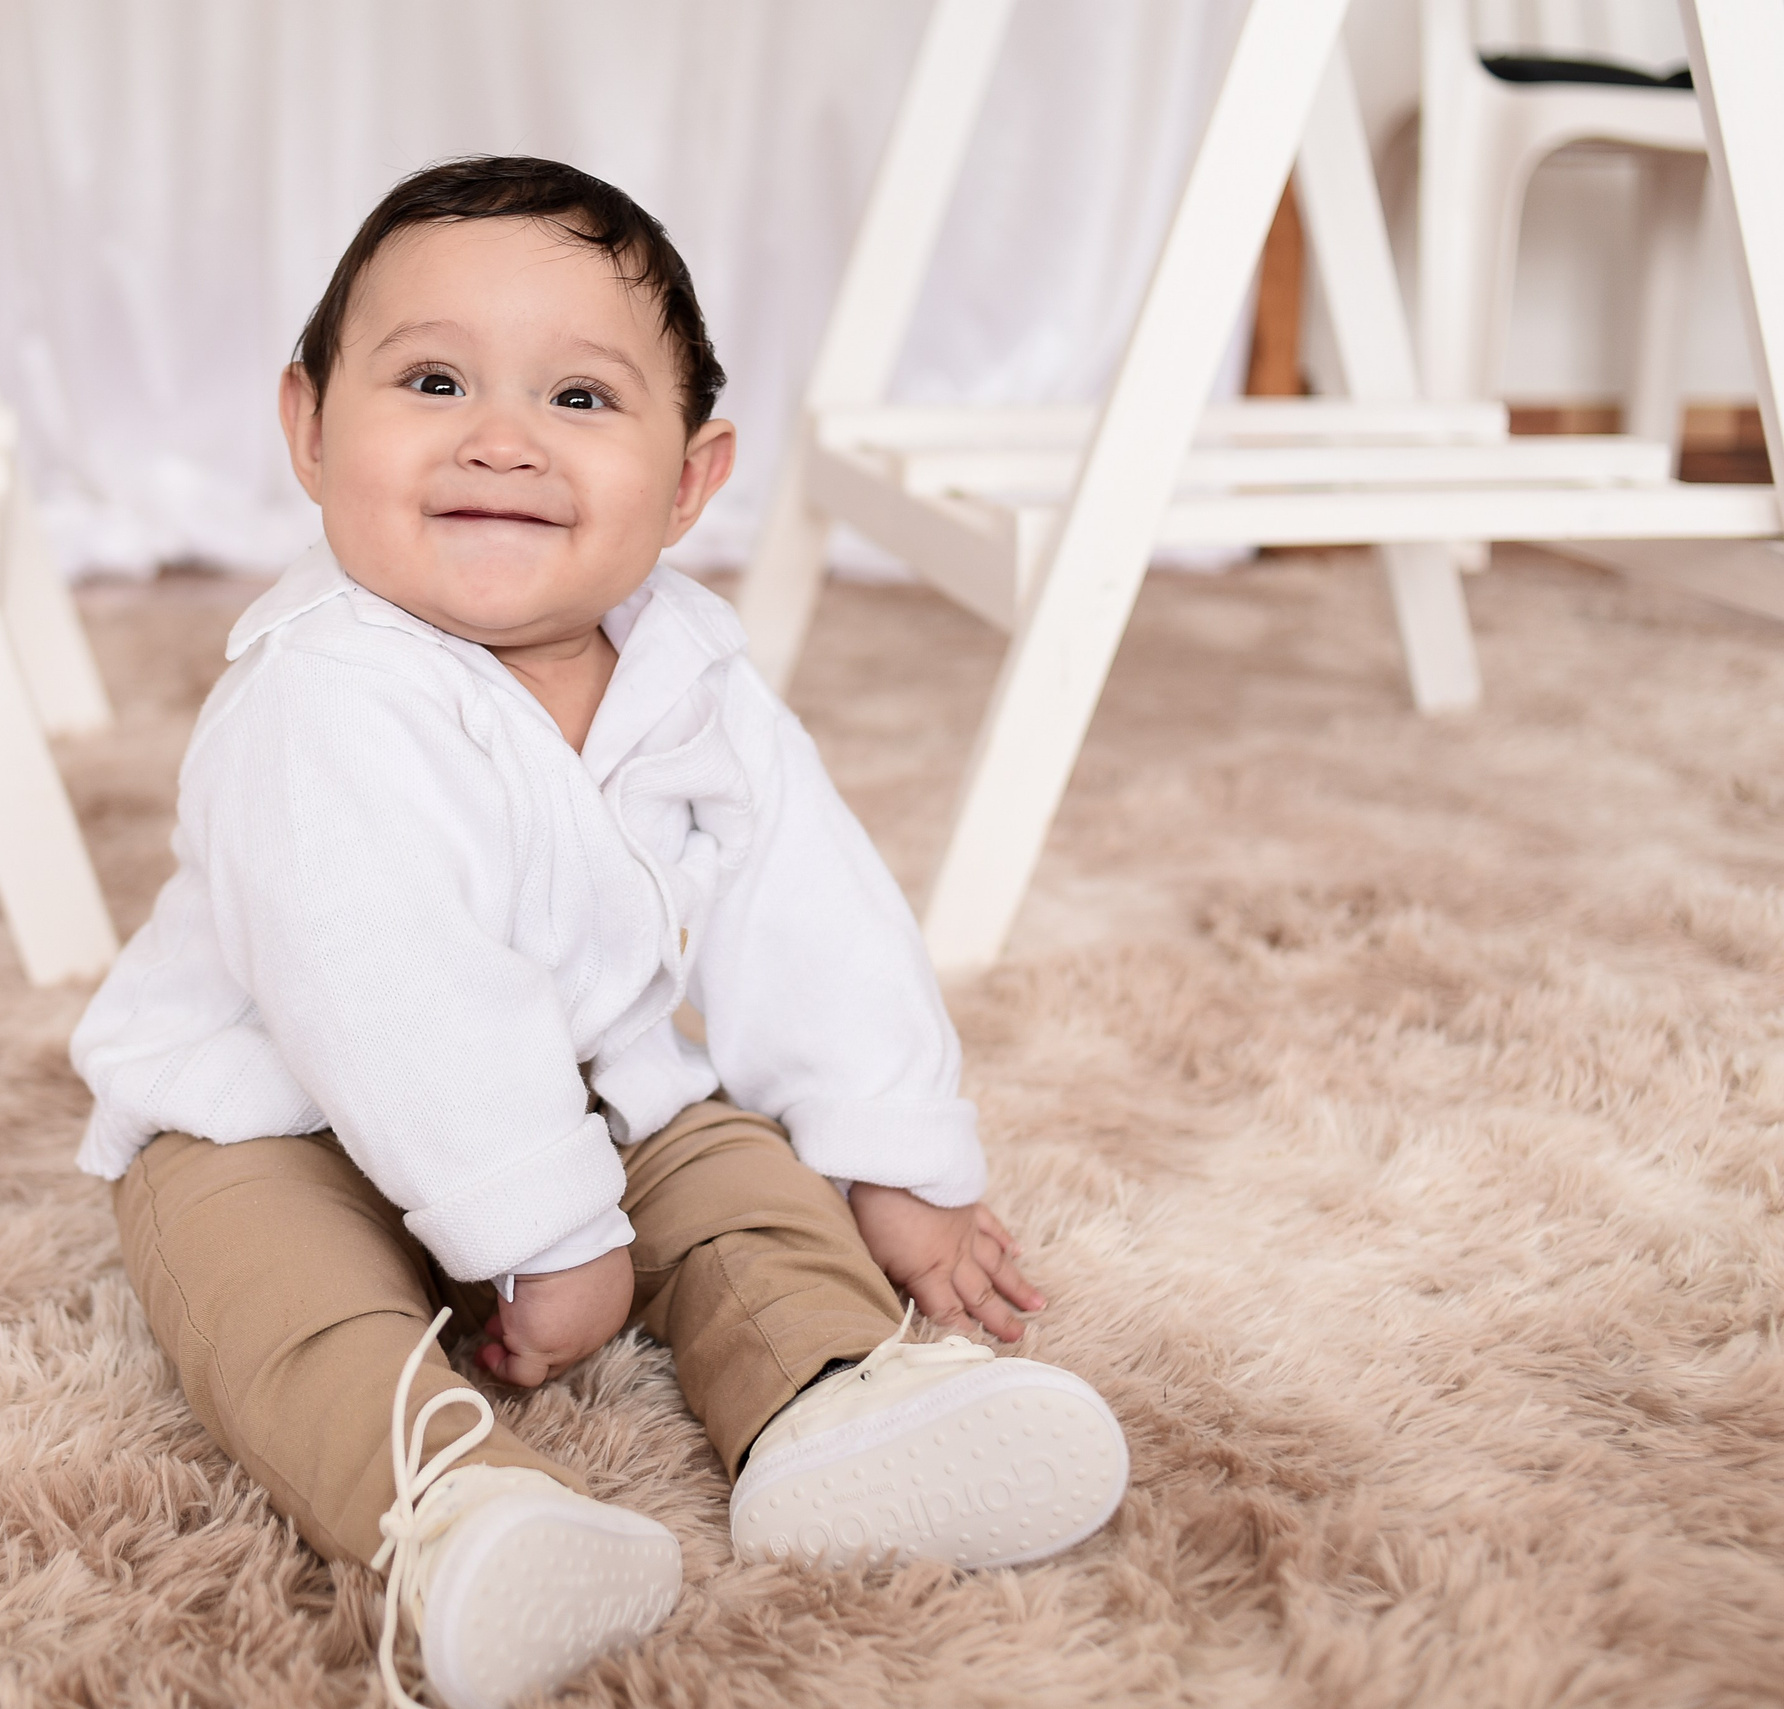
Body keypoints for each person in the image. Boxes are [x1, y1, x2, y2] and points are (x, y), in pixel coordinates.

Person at [70, 155, 1128, 1709]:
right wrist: (550, 1240)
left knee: (739, 1171)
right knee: (268, 1297)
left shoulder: (688, 671)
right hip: (281, 1120)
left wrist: (892, 1153)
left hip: (589, 1090)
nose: (500, 438)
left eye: (579, 398)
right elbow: (391, 989)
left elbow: (806, 903)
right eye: (434, 381)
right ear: (310, 428)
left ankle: (833, 1391)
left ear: (691, 481)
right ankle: (454, 1509)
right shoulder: (317, 697)